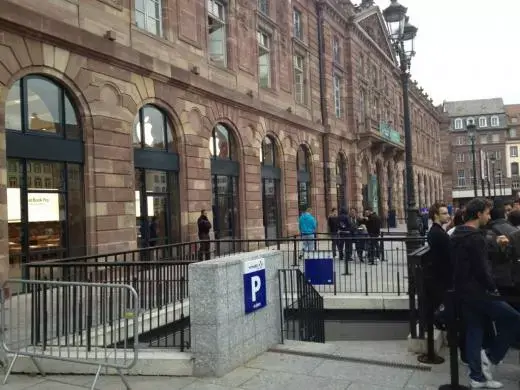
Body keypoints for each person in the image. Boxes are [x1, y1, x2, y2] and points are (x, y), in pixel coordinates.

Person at [451, 198, 520, 388]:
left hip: (464, 291)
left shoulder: (458, 233)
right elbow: (482, 268)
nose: (489, 217)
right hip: (480, 292)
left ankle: (476, 376)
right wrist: (492, 288)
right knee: (514, 319)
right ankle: (491, 357)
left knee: (475, 330)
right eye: (487, 213)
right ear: (479, 214)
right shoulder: (475, 238)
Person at [426, 202, 452, 308]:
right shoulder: (438, 233)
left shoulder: (436, 231)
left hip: (439, 278)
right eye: (445, 213)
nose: (448, 216)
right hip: (442, 279)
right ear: (436, 215)